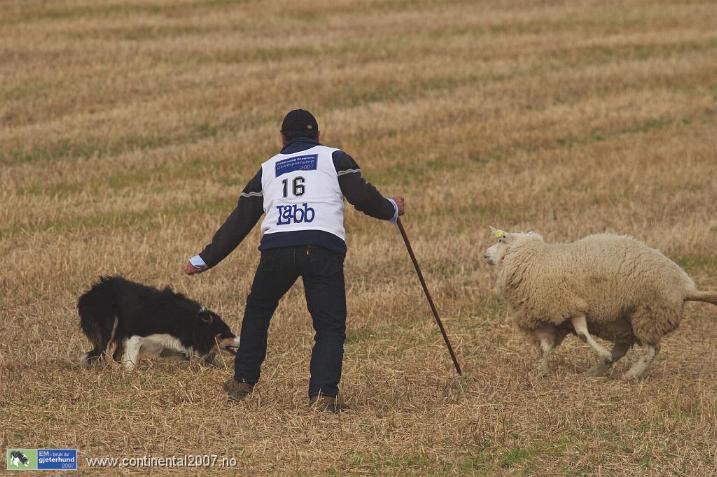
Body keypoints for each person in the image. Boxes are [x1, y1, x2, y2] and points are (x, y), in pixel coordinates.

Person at [184, 109, 405, 411]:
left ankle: (243, 380)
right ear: (318, 136)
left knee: (258, 312)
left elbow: (241, 220)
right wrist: (391, 209)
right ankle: (323, 395)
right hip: (321, 246)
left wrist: (204, 259)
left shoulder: (268, 168)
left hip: (277, 248)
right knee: (329, 325)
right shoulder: (334, 158)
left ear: (282, 139)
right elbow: (362, 197)